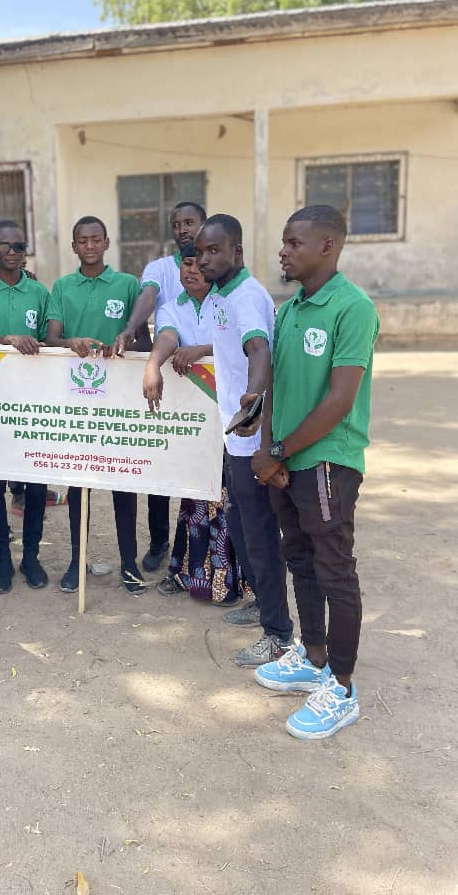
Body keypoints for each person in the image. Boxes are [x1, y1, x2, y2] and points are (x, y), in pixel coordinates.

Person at [251, 204, 379, 740]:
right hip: (286, 459)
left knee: (333, 568)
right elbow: (275, 387)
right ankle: (314, 656)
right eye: (284, 242)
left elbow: (339, 401)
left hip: (328, 461)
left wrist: (278, 450)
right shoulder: (289, 310)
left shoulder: (353, 308)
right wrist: (267, 448)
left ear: (327, 246)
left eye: (293, 243)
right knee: (298, 558)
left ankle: (343, 687)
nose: (283, 251)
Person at [196, 214, 293, 667]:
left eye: (215, 250)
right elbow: (227, 348)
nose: (205, 258)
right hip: (233, 434)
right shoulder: (220, 294)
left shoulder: (247, 298)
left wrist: (252, 401)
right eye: (201, 251)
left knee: (258, 535)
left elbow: (259, 349)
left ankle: (278, 635)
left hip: (252, 435)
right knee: (240, 527)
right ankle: (261, 605)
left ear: (237, 251)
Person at [46, 215, 147, 594]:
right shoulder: (62, 287)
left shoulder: (126, 285)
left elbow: (140, 340)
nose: (89, 245)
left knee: (124, 485)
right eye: (82, 240)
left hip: (118, 402)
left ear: (107, 243)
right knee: (79, 487)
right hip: (76, 401)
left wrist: (121, 347)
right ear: (74, 247)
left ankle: (130, 565)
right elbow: (51, 338)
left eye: (95, 239)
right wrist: (70, 342)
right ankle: (76, 562)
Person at [142, 245, 240, 604]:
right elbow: (167, 336)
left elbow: (247, 343)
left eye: (200, 264)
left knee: (232, 501)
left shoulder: (229, 301)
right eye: (186, 263)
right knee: (195, 498)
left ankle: (232, 583)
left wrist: (201, 349)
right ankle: (188, 575)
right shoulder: (172, 307)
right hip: (196, 422)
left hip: (233, 419)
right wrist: (154, 364)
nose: (193, 270)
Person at [114, 202, 207, 574]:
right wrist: (131, 328)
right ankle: (159, 541)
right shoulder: (161, 270)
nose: (183, 229)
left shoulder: (222, 277)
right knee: (160, 462)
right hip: (169, 379)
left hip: (210, 389)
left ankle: (194, 555)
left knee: (201, 472)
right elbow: (150, 298)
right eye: (177, 224)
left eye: (190, 223)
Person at [0, 221, 51, 593]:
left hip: (33, 402)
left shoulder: (38, 291)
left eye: (20, 246)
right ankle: (2, 560)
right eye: (6, 246)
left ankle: (30, 557)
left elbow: (50, 341)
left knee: (35, 483)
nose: (14, 252)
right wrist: (9, 340)